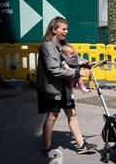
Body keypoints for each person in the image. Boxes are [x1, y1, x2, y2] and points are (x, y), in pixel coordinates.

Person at [37, 17, 97, 156]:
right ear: (54, 29)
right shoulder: (47, 46)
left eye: (66, 29)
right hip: (53, 88)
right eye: (63, 29)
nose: (66, 31)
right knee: (52, 116)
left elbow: (71, 56)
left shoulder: (61, 43)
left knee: (72, 113)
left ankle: (81, 145)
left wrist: (86, 62)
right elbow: (54, 69)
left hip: (64, 85)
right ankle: (46, 146)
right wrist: (78, 71)